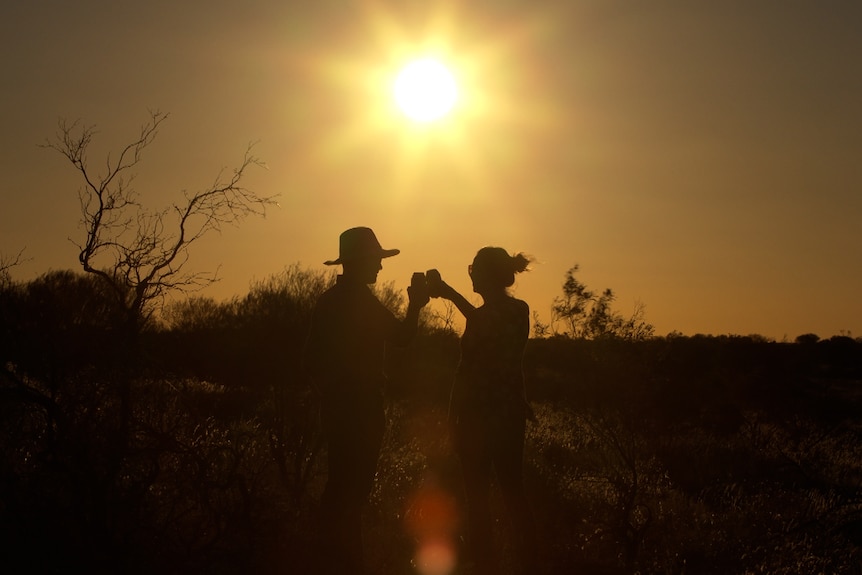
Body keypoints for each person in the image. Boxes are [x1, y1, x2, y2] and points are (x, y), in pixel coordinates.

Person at [304, 226, 429, 574]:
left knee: (340, 488)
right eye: (375, 260)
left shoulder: (329, 301)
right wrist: (415, 305)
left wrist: (329, 398)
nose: (379, 267)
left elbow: (310, 360)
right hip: (361, 410)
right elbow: (403, 337)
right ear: (360, 262)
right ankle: (346, 562)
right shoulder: (360, 302)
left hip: (338, 408)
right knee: (353, 493)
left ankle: (329, 557)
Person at [426, 247, 538, 575]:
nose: (471, 272)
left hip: (480, 416)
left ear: (485, 274)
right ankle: (527, 563)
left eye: (474, 269)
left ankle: (486, 564)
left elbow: (470, 367)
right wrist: (449, 294)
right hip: (507, 414)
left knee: (478, 498)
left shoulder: (497, 315)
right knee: (512, 492)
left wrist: (451, 419)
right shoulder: (517, 311)